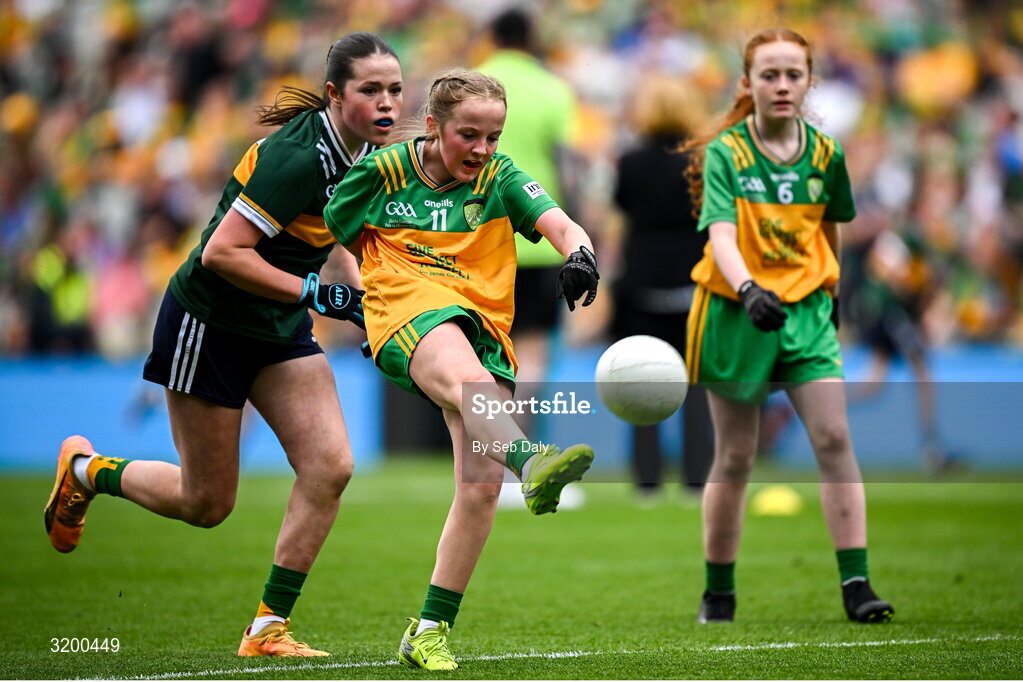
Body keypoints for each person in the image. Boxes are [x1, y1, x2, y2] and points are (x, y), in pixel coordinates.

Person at [43, 32, 404, 656]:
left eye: (394, 90)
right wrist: (316, 295)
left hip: (277, 326)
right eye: (370, 90)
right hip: (208, 322)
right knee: (206, 503)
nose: (387, 103)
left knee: (330, 467)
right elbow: (221, 253)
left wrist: (372, 311)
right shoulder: (298, 158)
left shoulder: (362, 155)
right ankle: (85, 471)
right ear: (334, 96)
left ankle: (268, 628)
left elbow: (339, 232)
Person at [324, 68, 599, 671]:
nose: (482, 149)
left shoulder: (501, 177)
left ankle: (428, 630)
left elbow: (559, 222)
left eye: (493, 136)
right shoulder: (383, 172)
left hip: (482, 322)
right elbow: (331, 233)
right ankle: (533, 462)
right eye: (468, 135)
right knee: (473, 386)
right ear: (434, 125)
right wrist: (354, 300)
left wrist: (580, 253)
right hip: (406, 307)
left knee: (477, 488)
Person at [681, 28, 894, 624]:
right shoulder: (727, 151)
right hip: (733, 307)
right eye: (768, 74)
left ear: (809, 82)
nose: (781, 85)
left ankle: (857, 585)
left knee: (832, 439)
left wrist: (831, 290)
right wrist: (748, 287)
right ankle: (718, 592)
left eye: (793, 74)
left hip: (805, 310)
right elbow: (720, 233)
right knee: (737, 457)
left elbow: (832, 227)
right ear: (747, 83)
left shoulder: (827, 153)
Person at [612, 74, 712, 500]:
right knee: (697, 389)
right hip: (695, 284)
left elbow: (622, 217)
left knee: (641, 385)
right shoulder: (703, 161)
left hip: (643, 287)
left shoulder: (631, 161)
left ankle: (647, 482)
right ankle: (695, 480)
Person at [477, 8, 579, 388]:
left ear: (493, 36)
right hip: (539, 239)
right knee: (533, 350)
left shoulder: (472, 86)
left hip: (478, 237)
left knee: (484, 347)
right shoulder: (552, 88)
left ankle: (489, 442)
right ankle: (518, 442)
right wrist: (575, 229)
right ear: (531, 37)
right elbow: (568, 168)